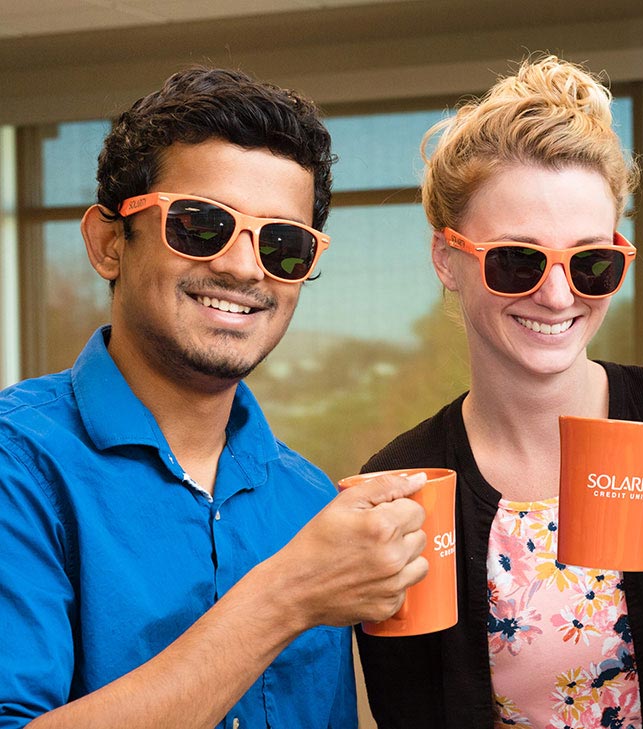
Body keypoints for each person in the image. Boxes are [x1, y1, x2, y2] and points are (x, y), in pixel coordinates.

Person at [0, 66, 429, 729]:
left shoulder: (312, 501)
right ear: (109, 242)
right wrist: (286, 597)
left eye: (283, 245)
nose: (241, 266)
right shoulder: (17, 466)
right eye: (201, 225)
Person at [355, 55, 643, 729]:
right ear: (447, 258)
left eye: (590, 263)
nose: (557, 295)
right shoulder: (404, 484)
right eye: (515, 259)